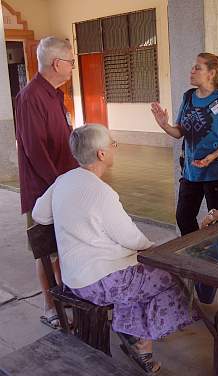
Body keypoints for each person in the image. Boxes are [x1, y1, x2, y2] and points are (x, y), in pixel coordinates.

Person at [32, 125, 196, 374]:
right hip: (98, 282)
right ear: (101, 154)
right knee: (169, 276)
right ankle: (142, 344)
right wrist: (157, 252)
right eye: (113, 144)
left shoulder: (63, 181)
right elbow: (133, 239)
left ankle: (132, 333)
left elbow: (38, 214)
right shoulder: (102, 193)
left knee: (140, 276)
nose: (114, 148)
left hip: (74, 277)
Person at [15, 37, 78, 328]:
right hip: (44, 191)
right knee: (45, 251)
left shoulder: (56, 95)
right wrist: (60, 186)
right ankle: (49, 306)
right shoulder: (31, 97)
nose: (73, 67)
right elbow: (35, 150)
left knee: (64, 247)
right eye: (71, 62)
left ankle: (64, 294)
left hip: (64, 187)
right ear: (57, 63)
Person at [151, 52, 218, 237]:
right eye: (193, 67)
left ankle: (214, 258)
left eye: (198, 67)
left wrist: (213, 156)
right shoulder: (188, 97)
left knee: (215, 221)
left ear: (211, 73)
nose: (192, 71)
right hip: (191, 171)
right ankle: (195, 253)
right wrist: (164, 125)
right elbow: (179, 133)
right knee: (184, 217)